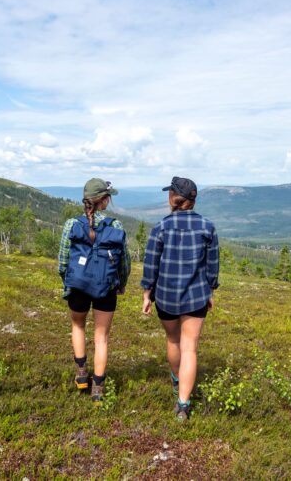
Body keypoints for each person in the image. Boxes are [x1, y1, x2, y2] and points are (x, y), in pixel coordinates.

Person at [141, 177, 219, 420]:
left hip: (166, 296)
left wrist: (147, 294)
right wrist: (210, 290)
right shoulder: (208, 227)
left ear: (173, 198)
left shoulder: (161, 227)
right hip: (196, 297)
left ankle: (177, 381)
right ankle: (183, 404)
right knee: (190, 349)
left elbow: (151, 264)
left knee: (173, 341)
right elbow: (212, 266)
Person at [58, 178, 131, 405]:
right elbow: (124, 263)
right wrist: (121, 283)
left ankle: (81, 375)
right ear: (104, 201)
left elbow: (62, 261)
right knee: (102, 338)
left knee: (78, 325)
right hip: (105, 287)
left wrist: (67, 281)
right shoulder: (115, 226)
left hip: (78, 285)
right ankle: (97, 388)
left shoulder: (72, 224)